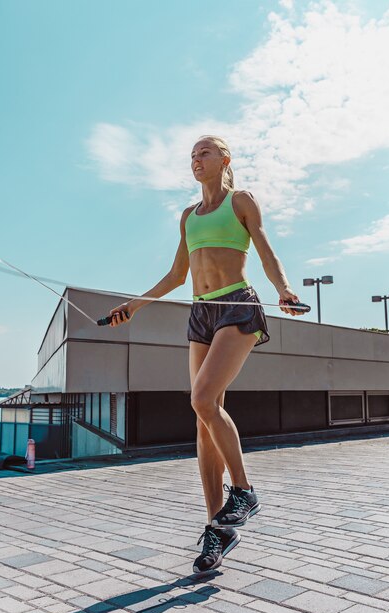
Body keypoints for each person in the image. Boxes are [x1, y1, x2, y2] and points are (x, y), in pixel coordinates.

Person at [108, 135, 303, 574]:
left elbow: (266, 251)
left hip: (237, 303)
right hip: (200, 313)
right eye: (192, 155)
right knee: (204, 420)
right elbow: (178, 274)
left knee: (202, 400)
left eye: (205, 152)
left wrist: (283, 289)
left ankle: (245, 491)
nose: (196, 159)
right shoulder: (188, 217)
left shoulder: (241, 201)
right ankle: (218, 527)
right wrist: (134, 305)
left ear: (224, 159)